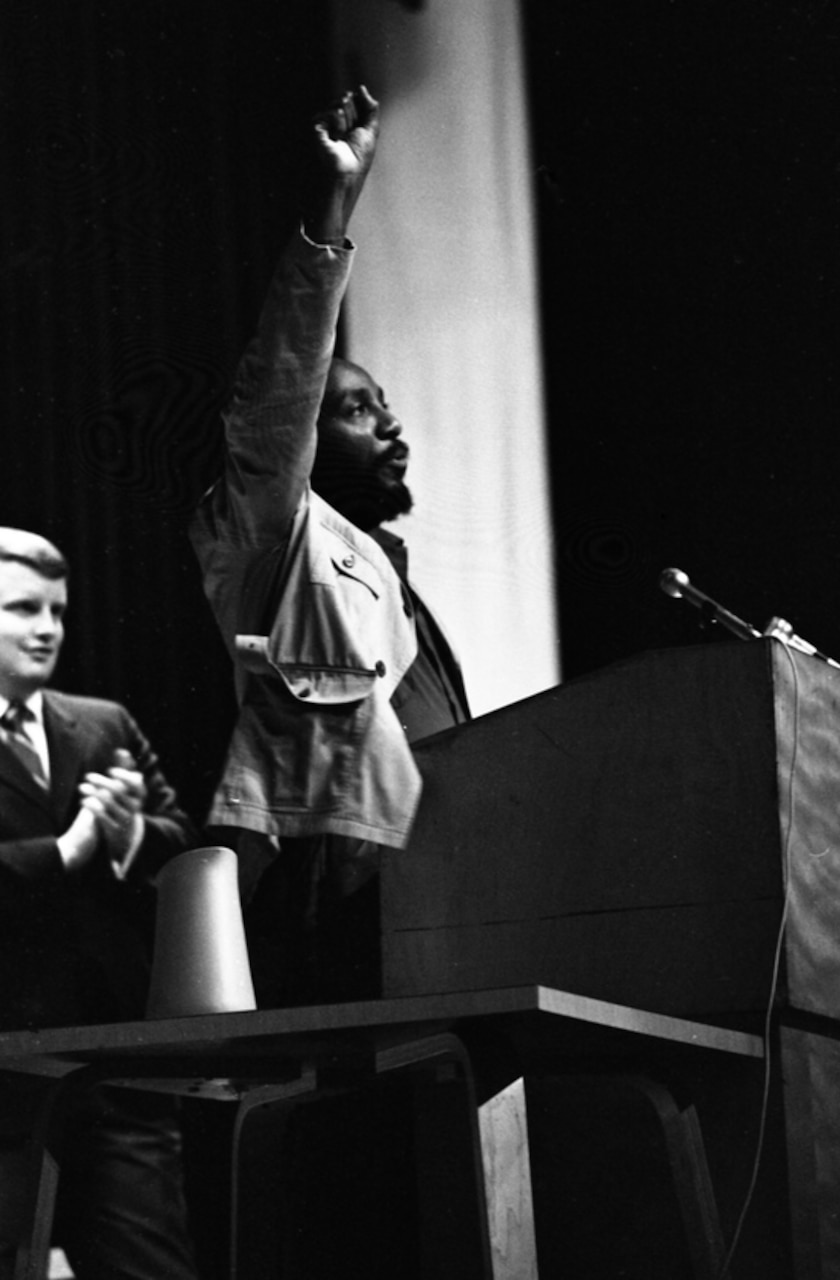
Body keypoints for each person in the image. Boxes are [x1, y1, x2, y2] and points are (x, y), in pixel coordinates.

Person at [190, 85, 469, 1008]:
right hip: (333, 903)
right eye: (356, 408)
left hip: (448, 898)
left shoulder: (397, 585)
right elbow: (282, 384)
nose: (390, 427)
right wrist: (334, 209)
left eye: (387, 406)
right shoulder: (275, 529)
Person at [0, 527, 199, 1279]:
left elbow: (186, 850)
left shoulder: (104, 724)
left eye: (57, 610)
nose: (48, 628)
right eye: (24, 609)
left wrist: (128, 834)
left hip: (113, 1069)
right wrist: (65, 853)